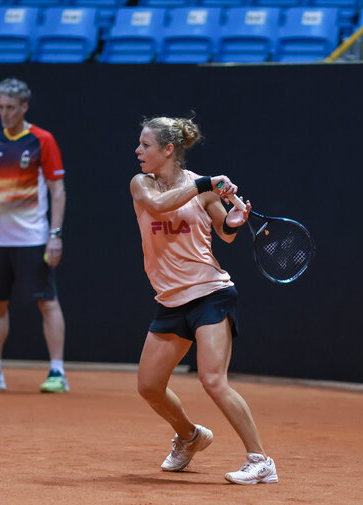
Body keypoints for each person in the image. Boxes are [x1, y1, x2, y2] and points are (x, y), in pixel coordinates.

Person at [130, 116, 278, 485]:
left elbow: (225, 233)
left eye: (145, 145)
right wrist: (203, 184)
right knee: (149, 386)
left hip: (211, 294)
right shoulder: (141, 185)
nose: (138, 151)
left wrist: (236, 220)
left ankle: (261, 461)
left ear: (168, 150)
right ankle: (190, 436)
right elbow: (160, 205)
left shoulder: (205, 188)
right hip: (170, 300)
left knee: (213, 379)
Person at [0, 77, 69, 394]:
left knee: (47, 303)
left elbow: (57, 190)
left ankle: (57, 372)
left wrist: (55, 234)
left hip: (33, 238)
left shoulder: (42, 140)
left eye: (10, 107)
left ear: (24, 107)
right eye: (0, 107)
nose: (4, 113)